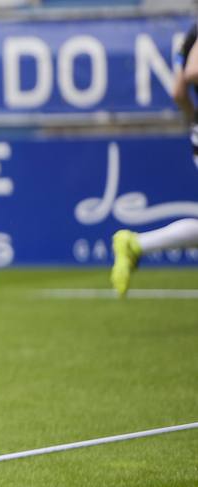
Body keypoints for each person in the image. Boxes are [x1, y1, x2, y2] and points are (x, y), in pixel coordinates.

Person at [111, 21, 198, 298]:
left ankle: (136, 244)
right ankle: (135, 244)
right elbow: (193, 72)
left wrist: (194, 121)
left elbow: (178, 92)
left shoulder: (189, 36)